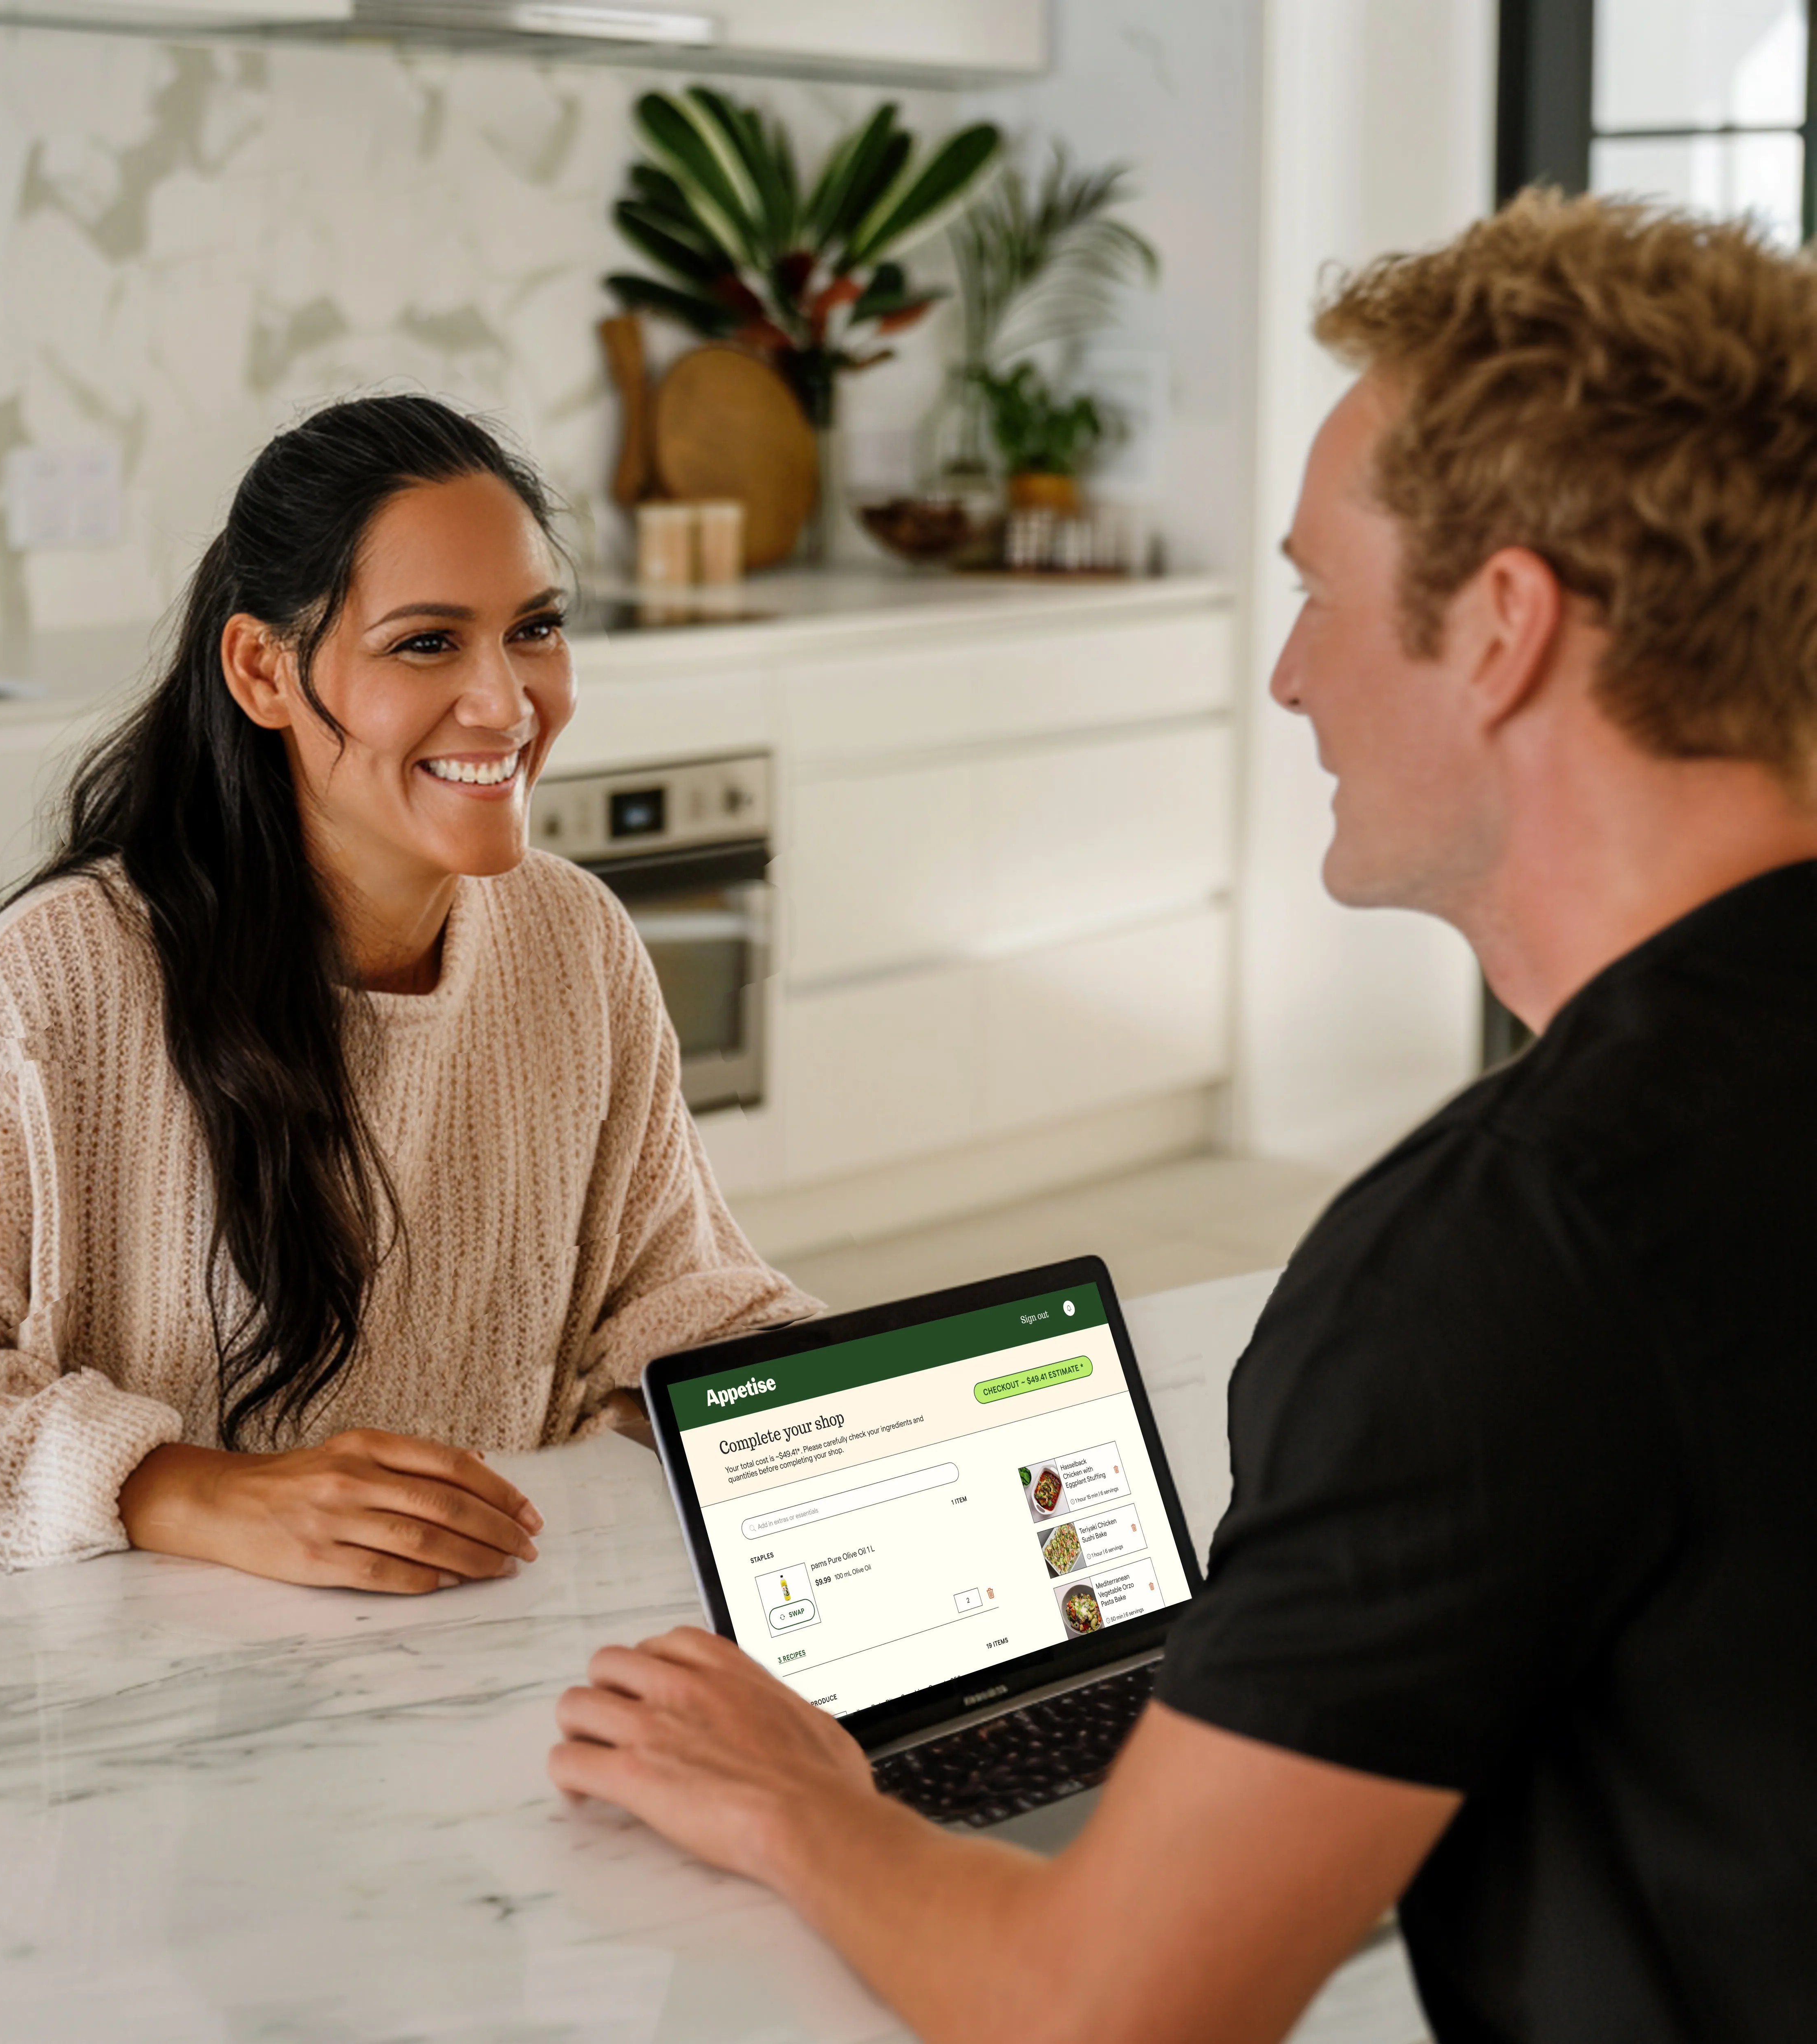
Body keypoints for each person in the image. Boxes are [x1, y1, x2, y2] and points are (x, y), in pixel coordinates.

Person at [550, 191, 1817, 2043]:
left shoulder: (1503, 1252)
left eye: (1315, 591)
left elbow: (1106, 2011)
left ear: (1499, 629)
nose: (1290, 672)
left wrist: (799, 1802)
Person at [0, 394, 811, 1627]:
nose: (505, 701)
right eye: (427, 643)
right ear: (265, 670)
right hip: (41, 1723)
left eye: (535, 629)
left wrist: (884, 1407)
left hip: (419, 1674)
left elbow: (670, 1300)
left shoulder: (573, 942)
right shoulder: (71, 975)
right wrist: (190, 1492)